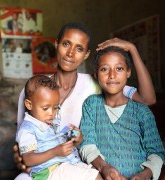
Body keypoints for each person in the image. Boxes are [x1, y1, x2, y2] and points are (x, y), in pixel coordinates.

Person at [14, 22, 156, 180]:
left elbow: (147, 99)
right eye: (66, 44)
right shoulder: (34, 90)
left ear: (86, 54)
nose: (70, 53)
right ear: (56, 44)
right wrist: (21, 159)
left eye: (79, 48)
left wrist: (132, 49)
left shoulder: (98, 83)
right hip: (45, 168)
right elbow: (23, 142)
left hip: (79, 167)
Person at [79, 46, 164, 179]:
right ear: (95, 74)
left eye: (119, 69)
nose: (112, 75)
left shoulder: (141, 111)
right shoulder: (91, 104)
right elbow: (87, 144)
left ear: (128, 72)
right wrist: (104, 167)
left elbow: (157, 153)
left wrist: (144, 175)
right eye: (104, 69)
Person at [16, 74, 102, 180]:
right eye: (45, 108)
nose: (51, 113)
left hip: (67, 163)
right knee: (93, 177)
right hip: (49, 171)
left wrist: (75, 136)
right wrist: (55, 152)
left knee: (94, 172)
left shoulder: (50, 122)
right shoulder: (28, 129)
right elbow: (27, 159)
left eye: (56, 107)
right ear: (29, 104)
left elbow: (61, 138)